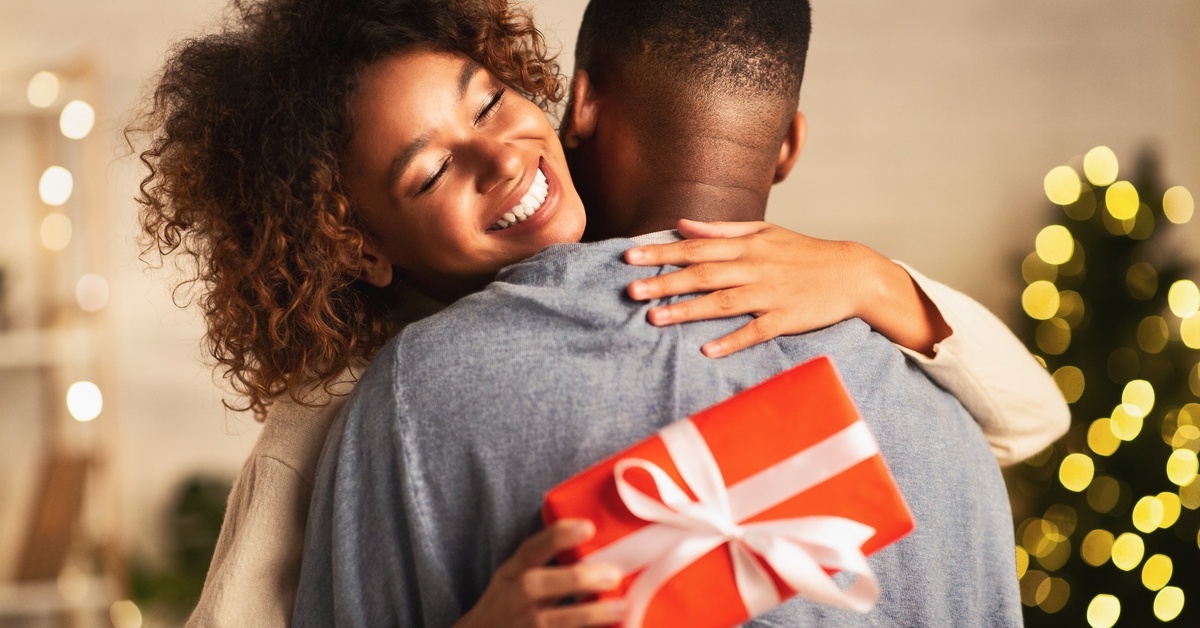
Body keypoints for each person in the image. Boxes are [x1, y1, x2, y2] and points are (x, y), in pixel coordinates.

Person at [131, 0, 1064, 624]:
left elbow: (1030, 413)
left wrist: (873, 281)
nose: (500, 158)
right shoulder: (355, 412)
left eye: (490, 101)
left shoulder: (791, 297)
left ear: (569, 102)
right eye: (427, 171)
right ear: (353, 244)